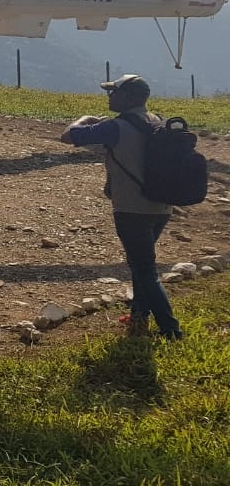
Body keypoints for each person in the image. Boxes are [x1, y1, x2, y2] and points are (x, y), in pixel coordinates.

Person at [61, 74, 182, 340]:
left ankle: (171, 330)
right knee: (140, 263)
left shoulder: (115, 127)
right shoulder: (158, 121)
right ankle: (139, 314)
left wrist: (84, 120)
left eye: (113, 92)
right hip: (162, 206)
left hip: (131, 209)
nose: (109, 97)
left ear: (127, 98)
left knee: (146, 270)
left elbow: (68, 136)